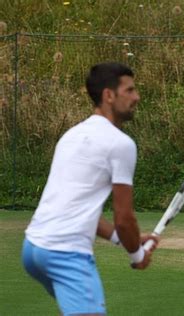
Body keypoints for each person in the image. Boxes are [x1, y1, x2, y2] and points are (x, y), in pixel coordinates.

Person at [22, 62, 159, 315]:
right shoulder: (121, 144)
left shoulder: (71, 136)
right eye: (129, 90)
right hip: (66, 253)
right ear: (109, 95)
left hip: (33, 249)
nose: (136, 97)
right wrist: (137, 255)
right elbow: (124, 218)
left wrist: (121, 239)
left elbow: (79, 209)